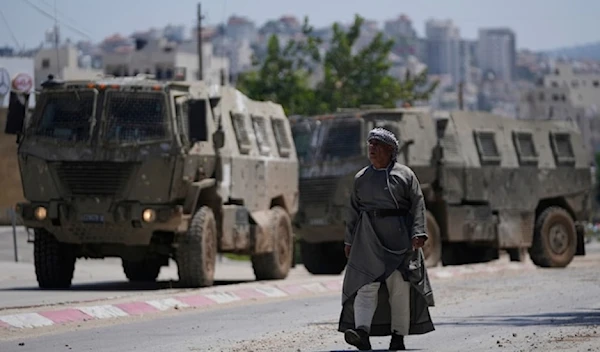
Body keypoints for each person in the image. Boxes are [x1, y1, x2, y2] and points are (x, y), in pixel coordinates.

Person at [337, 127, 435, 351]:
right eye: (370, 144)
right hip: (368, 239)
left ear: (390, 150)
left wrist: (418, 232)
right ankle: (361, 332)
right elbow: (352, 212)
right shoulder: (361, 178)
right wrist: (349, 241)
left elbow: (418, 204)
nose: (372, 148)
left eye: (377, 145)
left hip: (399, 240)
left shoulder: (405, 175)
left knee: (399, 288)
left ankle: (398, 336)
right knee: (365, 285)